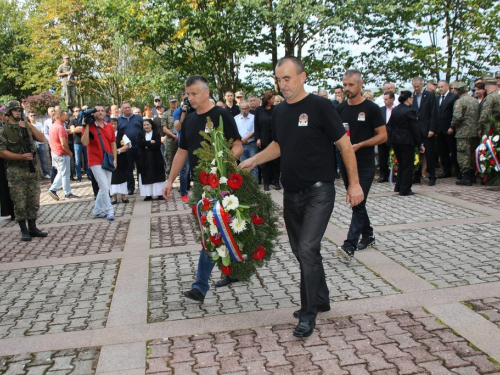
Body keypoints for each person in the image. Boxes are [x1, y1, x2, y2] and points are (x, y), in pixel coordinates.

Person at [240, 57, 364, 338]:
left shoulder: (321, 106)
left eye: (287, 78)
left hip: (319, 191)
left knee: (308, 249)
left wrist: (354, 184)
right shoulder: (280, 112)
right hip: (291, 193)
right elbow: (280, 145)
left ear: (302, 76)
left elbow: (344, 145)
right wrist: (254, 161)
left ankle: (309, 315)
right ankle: (321, 297)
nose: (283, 85)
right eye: (279, 79)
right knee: (301, 251)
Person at [162, 75, 243, 302]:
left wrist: (221, 162)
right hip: (200, 186)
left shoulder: (221, 115)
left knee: (213, 232)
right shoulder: (188, 121)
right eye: (188, 94)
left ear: (206, 93)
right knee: (212, 232)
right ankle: (230, 271)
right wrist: (170, 181)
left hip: (221, 184)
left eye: (194, 94)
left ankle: (200, 286)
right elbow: (181, 152)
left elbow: (238, 147)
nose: (190, 98)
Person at [337, 69, 387, 255]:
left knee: (357, 202)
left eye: (351, 85)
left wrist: (361, 145)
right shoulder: (340, 108)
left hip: (364, 163)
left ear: (360, 84)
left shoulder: (371, 108)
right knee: (359, 202)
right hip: (346, 163)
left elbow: (382, 136)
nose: (347, 88)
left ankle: (349, 244)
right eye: (345, 85)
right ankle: (368, 235)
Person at [0, 100, 48, 240]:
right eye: (15, 110)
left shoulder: (26, 126)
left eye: (19, 110)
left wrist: (29, 126)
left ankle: (33, 227)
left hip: (31, 170)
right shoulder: (4, 131)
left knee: (34, 200)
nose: (18, 112)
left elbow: (41, 138)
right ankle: (24, 230)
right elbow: (2, 152)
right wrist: (20, 156)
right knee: (19, 202)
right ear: (8, 113)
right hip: (16, 171)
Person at [82, 105, 117, 220]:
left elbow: (113, 143)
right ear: (93, 113)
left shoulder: (109, 127)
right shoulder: (90, 126)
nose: (100, 113)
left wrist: (115, 159)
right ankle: (109, 210)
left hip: (107, 158)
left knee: (105, 187)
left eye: (102, 111)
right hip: (95, 160)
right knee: (104, 186)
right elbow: (85, 142)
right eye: (98, 111)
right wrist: (86, 125)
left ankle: (97, 210)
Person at [387, 91, 425, 196]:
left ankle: (398, 186)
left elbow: (389, 126)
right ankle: (405, 189)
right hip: (406, 141)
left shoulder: (395, 110)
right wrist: (420, 144)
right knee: (408, 165)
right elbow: (414, 129)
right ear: (408, 98)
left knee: (401, 164)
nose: (413, 99)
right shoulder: (410, 111)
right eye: (412, 97)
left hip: (395, 140)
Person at [451, 82, 480, 186]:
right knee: (472, 154)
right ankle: (472, 176)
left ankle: (466, 177)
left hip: (463, 133)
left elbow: (457, 117)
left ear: (458, 91)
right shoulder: (475, 101)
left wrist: (452, 126)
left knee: (463, 154)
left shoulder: (459, 102)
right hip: (474, 132)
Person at [411, 77, 439, 186]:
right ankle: (417, 175)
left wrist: (432, 129)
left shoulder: (430, 95)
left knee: (429, 153)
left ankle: (432, 176)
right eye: (414, 86)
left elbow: (434, 113)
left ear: (422, 85)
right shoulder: (412, 96)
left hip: (426, 128)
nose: (416, 88)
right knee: (417, 152)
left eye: (418, 86)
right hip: (416, 129)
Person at [47, 110, 79, 201]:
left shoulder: (53, 126)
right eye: (63, 115)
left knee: (62, 172)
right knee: (64, 173)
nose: (65, 116)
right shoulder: (60, 128)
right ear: (58, 117)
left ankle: (56, 190)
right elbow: (63, 143)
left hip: (55, 152)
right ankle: (63, 192)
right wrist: (69, 152)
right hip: (61, 153)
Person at [254, 92, 281, 191]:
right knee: (265, 163)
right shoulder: (259, 110)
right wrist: (258, 138)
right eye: (272, 98)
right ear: (267, 99)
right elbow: (256, 125)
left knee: (276, 162)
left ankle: (276, 182)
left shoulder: (276, 109)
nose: (273, 100)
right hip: (263, 139)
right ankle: (266, 183)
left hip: (275, 140)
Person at [118, 102, 143, 195]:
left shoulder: (138, 118)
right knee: (128, 168)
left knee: (141, 167)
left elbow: (144, 129)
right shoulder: (119, 120)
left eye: (129, 107)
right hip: (127, 148)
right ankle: (130, 187)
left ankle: (142, 185)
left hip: (139, 147)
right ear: (122, 110)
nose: (128, 109)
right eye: (125, 108)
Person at [137, 119, 165, 201]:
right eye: (144, 125)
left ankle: (159, 194)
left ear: (151, 125)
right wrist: (150, 142)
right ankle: (148, 195)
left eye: (147, 125)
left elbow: (157, 145)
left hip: (156, 158)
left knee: (158, 175)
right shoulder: (140, 134)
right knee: (146, 175)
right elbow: (139, 143)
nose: (146, 126)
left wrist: (145, 144)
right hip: (144, 158)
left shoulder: (156, 134)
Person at [436, 80, 459, 178]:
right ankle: (446, 170)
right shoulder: (437, 98)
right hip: (440, 129)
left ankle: (458, 171)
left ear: (447, 87)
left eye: (442, 86)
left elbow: (455, 113)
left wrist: (452, 126)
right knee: (442, 151)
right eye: (439, 87)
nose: (440, 89)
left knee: (453, 150)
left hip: (449, 128)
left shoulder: (453, 97)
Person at [234, 101, 258, 181]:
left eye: (245, 108)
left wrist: (246, 138)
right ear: (240, 109)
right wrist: (242, 139)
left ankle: (254, 184)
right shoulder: (236, 118)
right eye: (242, 109)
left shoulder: (254, 117)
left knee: (253, 164)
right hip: (241, 144)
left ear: (249, 108)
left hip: (251, 144)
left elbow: (255, 130)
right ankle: (245, 183)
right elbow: (235, 131)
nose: (244, 110)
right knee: (243, 165)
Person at [110, 117, 131, 203]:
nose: (113, 126)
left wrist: (118, 150)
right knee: (112, 177)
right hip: (110, 158)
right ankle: (114, 197)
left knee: (123, 176)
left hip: (121, 158)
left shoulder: (122, 134)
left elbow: (127, 145)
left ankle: (123, 196)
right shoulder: (106, 134)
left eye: (115, 124)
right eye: (111, 124)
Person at [378, 92, 396, 182]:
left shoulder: (396, 109)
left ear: (392, 99)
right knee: (382, 157)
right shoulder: (380, 110)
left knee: (392, 156)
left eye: (386, 99)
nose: (384, 101)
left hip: (393, 136)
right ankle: (383, 175)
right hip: (382, 136)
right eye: (384, 99)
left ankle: (393, 174)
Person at [28, 112, 50, 179]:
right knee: (34, 160)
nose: (33, 116)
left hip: (40, 144)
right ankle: (37, 175)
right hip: (32, 145)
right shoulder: (27, 125)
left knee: (43, 159)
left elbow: (42, 133)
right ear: (28, 117)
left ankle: (45, 173)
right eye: (31, 115)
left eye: (34, 115)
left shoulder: (39, 124)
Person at [162, 95, 179, 178]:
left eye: (175, 101)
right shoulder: (166, 114)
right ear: (169, 103)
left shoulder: (181, 112)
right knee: (169, 161)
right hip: (170, 140)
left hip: (181, 139)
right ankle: (169, 180)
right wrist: (174, 136)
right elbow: (164, 128)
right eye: (172, 102)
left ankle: (184, 183)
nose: (174, 103)